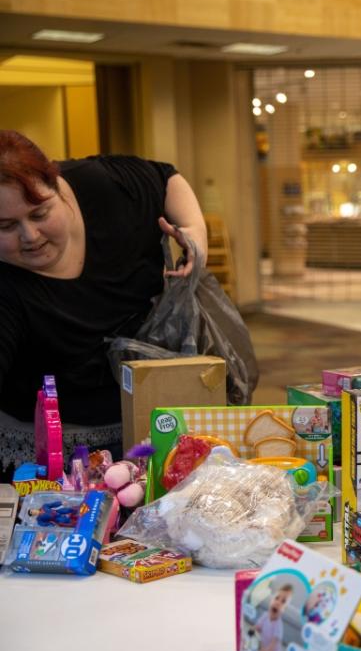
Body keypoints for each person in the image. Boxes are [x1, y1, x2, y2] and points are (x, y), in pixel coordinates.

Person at [0, 131, 208, 471]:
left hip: (145, 425)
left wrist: (194, 230)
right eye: (5, 226)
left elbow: (165, 176)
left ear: (58, 188)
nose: (30, 236)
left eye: (39, 214)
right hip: (44, 454)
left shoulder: (103, 187)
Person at [256, 583, 293, 651]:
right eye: (276, 598)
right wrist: (252, 634)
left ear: (284, 610)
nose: (278, 603)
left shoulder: (278, 625)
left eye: (283, 602)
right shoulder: (265, 616)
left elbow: (273, 646)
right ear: (271, 600)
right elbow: (257, 628)